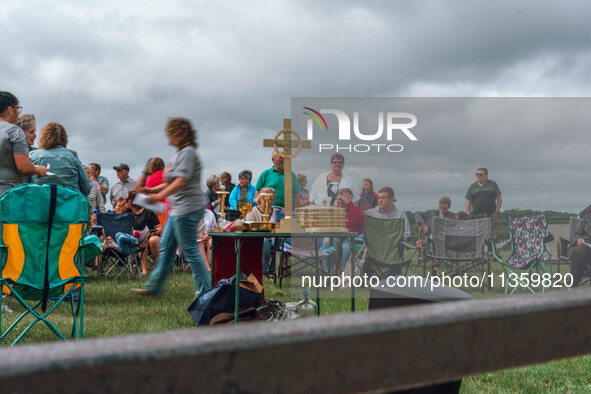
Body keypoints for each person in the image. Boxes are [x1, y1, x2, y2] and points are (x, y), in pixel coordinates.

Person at [131, 117, 211, 298]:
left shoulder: (189, 153)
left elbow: (182, 181)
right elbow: (171, 180)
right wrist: (149, 190)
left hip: (188, 209)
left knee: (190, 251)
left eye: (170, 133)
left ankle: (205, 293)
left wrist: (159, 196)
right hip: (178, 210)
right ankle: (154, 286)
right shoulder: (178, 154)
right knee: (166, 247)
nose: (168, 137)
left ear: (179, 134)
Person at [0, 91, 47, 195]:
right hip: (7, 196)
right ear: (10, 109)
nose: (18, 113)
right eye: (18, 109)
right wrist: (38, 170)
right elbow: (24, 167)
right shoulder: (14, 131)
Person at [29, 122, 91, 195]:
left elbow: (25, 184)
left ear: (43, 137)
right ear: (64, 138)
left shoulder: (33, 156)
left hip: (39, 203)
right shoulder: (72, 156)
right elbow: (86, 187)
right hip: (69, 204)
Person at [322, 188, 364, 273]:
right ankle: (329, 273)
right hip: (338, 237)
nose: (340, 203)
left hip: (352, 238)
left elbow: (359, 221)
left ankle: (346, 275)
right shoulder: (335, 210)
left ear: (350, 199)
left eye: (343, 200)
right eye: (338, 200)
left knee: (347, 247)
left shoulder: (356, 209)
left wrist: (349, 204)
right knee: (327, 242)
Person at [246, 187, 280, 279]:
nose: (269, 202)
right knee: (264, 242)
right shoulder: (253, 211)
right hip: (257, 238)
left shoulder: (276, 212)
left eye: (271, 200)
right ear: (260, 198)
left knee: (280, 241)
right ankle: (263, 272)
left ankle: (273, 270)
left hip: (273, 238)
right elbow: (248, 226)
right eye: (267, 199)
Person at [465, 167, 502, 241]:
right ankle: (479, 252)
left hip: (491, 215)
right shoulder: (472, 187)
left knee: (493, 236)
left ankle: (493, 252)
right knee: (477, 236)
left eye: (480, 174)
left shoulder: (493, 184)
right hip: (476, 216)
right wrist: (469, 216)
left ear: (486, 175)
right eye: (477, 174)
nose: (478, 176)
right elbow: (468, 203)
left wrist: (496, 211)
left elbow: (499, 198)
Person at [569, 205, 591, 287]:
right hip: (586, 246)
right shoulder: (588, 217)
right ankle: (573, 287)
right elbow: (575, 234)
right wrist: (578, 239)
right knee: (581, 251)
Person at [197, 208, 217, 273]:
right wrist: (197, 236)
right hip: (193, 239)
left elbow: (214, 229)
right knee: (200, 243)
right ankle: (207, 268)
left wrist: (209, 236)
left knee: (211, 241)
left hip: (206, 237)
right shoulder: (189, 213)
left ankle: (208, 265)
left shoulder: (210, 213)